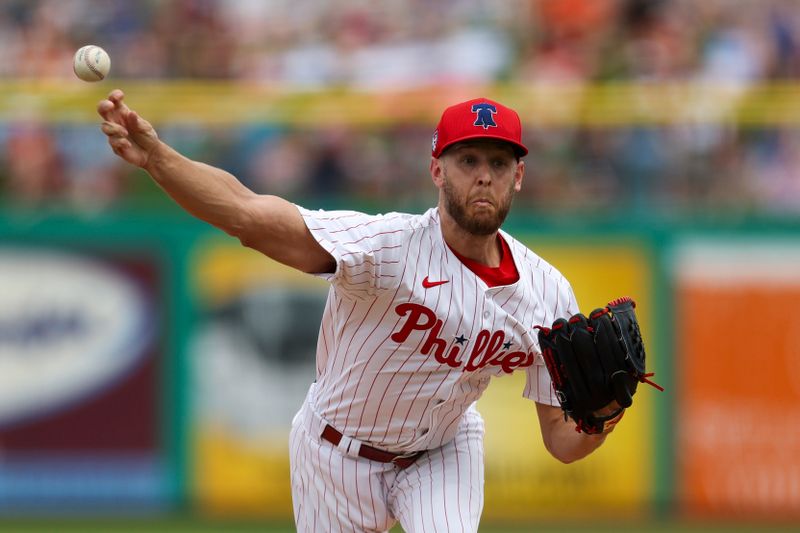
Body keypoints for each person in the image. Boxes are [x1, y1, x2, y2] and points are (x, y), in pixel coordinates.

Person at [98, 90, 623, 532]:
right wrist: (159, 159)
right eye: (469, 161)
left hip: (443, 452)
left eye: (499, 163)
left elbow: (562, 442)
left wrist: (602, 418)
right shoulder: (383, 248)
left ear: (519, 176)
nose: (484, 176)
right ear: (436, 170)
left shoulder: (547, 292)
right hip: (333, 454)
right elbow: (247, 213)